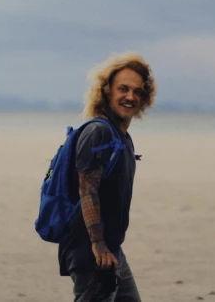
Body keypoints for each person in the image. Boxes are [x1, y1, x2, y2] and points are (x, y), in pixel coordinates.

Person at [58, 52, 157, 301]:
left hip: (111, 249)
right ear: (107, 91)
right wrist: (98, 245)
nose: (130, 96)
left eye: (137, 91)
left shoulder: (120, 136)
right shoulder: (99, 133)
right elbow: (87, 189)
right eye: (123, 89)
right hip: (92, 250)